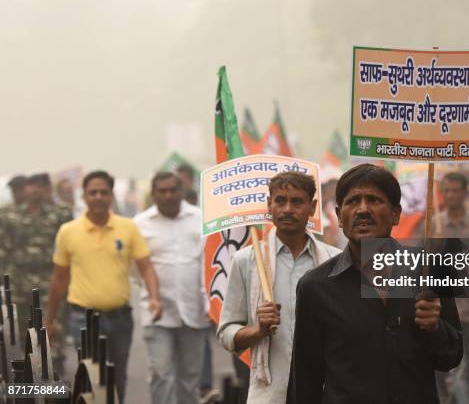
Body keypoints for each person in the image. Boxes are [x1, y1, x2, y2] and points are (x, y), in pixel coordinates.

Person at [287, 164, 463, 404]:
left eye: (374, 200)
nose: (362, 210)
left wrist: (435, 328)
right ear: (339, 216)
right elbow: (305, 380)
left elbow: (450, 358)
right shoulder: (315, 287)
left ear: (395, 213)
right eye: (352, 201)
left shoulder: (428, 271)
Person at [217, 171, 340, 404]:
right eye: (280, 201)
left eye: (297, 202)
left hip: (324, 392)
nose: (287, 210)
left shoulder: (334, 262)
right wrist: (258, 331)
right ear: (269, 205)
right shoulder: (247, 261)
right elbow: (226, 333)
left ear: (312, 208)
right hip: (269, 393)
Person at [45, 170, 162, 403]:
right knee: (90, 377)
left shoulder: (127, 228)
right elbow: (59, 279)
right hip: (83, 319)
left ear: (111, 196)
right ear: (84, 197)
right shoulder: (68, 232)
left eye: (103, 192)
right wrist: (50, 320)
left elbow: (146, 266)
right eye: (93, 192)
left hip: (120, 318)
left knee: (117, 377)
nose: (98, 197)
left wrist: (154, 297)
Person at [133, 171, 210, 404]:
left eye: (173, 190)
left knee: (190, 377)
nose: (168, 196)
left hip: (194, 310)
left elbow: (209, 262)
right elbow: (135, 269)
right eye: (162, 191)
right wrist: (152, 292)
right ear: (154, 194)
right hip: (157, 312)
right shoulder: (140, 224)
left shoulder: (201, 219)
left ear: (182, 192)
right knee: (160, 373)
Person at [0, 173, 73, 374]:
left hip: (51, 283)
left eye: (40, 186)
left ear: (46, 189)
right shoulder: (9, 215)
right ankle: (30, 385)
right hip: (19, 284)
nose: (34, 190)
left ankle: (54, 384)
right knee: (24, 336)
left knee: (52, 333)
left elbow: (68, 250)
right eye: (31, 186)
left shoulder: (61, 214)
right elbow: (3, 250)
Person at [434, 172, 469, 404]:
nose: (450, 195)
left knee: (468, 361)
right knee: (437, 359)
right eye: (446, 190)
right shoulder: (434, 224)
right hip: (440, 306)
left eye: (455, 190)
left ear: (465, 193)